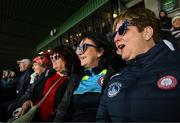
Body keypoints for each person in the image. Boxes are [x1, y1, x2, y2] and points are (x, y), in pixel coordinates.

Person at [96, 8, 180, 122]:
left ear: (147, 32)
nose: (115, 39)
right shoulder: (114, 79)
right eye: (114, 35)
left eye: (122, 30)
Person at [54, 33, 123, 122]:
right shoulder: (76, 79)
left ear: (100, 52)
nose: (79, 53)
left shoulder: (114, 75)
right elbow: (63, 110)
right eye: (78, 49)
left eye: (84, 47)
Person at [15, 45, 82, 122]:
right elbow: (34, 92)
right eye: (52, 58)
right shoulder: (48, 75)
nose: (53, 60)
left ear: (67, 58)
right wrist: (28, 101)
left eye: (56, 57)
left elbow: (65, 110)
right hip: (35, 116)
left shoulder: (74, 79)